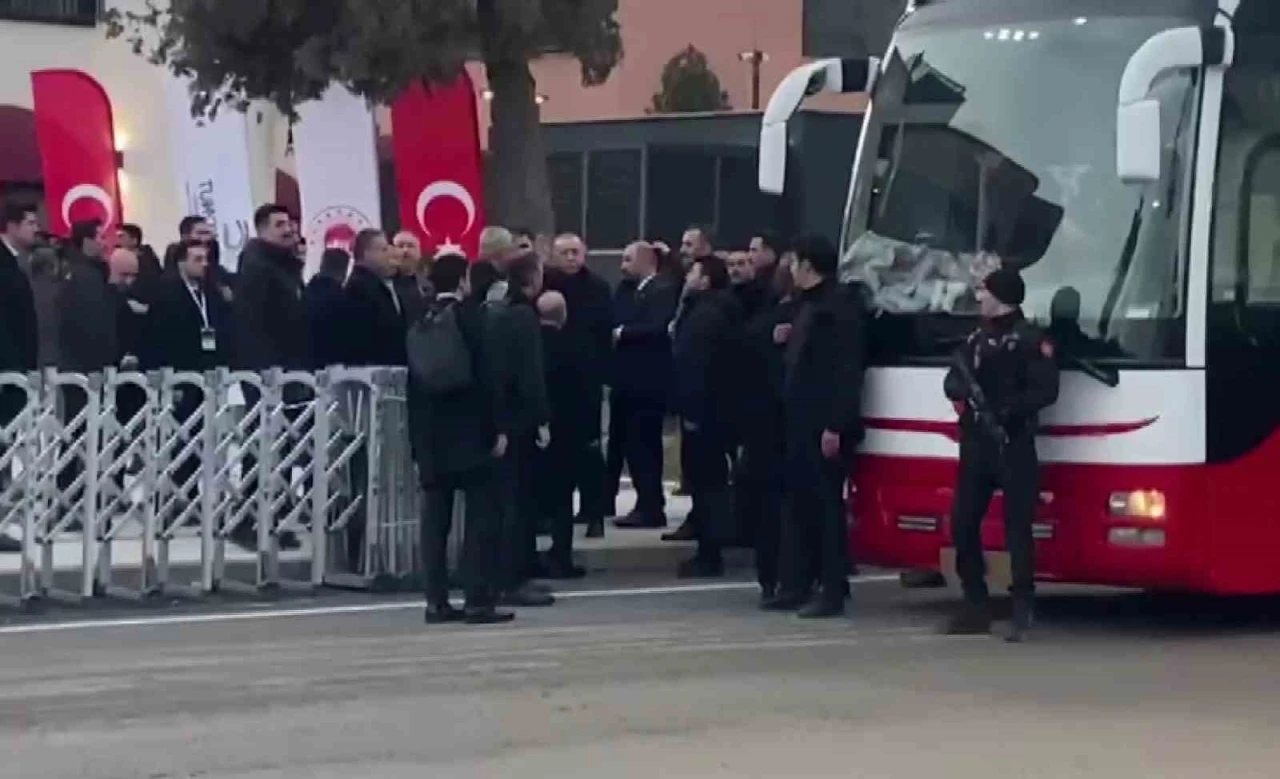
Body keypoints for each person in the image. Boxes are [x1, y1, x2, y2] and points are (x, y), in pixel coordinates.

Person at [942, 267, 1059, 642]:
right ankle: (975, 603)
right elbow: (952, 379)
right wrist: (960, 388)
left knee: (1017, 528)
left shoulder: (1030, 339)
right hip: (977, 445)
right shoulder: (975, 339)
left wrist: (1009, 410)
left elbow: (1047, 390)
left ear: (1002, 296)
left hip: (1013, 443)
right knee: (962, 522)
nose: (979, 298)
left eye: (985, 291)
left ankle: (1022, 605)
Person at [407, 253, 513, 625]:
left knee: (435, 522)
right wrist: (498, 428)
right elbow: (488, 377)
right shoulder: (473, 318)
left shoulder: (420, 319)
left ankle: (436, 601)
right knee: (481, 518)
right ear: (463, 281)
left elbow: (413, 386)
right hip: (470, 433)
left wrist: (417, 443)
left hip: (430, 436)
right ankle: (477, 599)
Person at [767, 236, 867, 619]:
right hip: (798, 420)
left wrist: (836, 425)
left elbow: (846, 372)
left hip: (823, 423)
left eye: (794, 263)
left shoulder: (839, 307)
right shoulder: (807, 305)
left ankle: (832, 588)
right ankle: (796, 583)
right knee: (799, 505)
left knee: (826, 508)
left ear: (808, 266)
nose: (790, 270)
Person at [669, 254, 744, 577]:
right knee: (706, 481)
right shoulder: (710, 310)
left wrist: (693, 410)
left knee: (707, 483)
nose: (687, 277)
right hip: (714, 410)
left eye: (693, 273)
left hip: (705, 413)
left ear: (705, 280)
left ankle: (709, 552)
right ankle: (707, 545)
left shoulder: (707, 315)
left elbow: (696, 366)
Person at [485, 251, 553, 606]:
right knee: (517, 501)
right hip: (520, 418)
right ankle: (512, 579)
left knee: (502, 501)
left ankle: (500, 575)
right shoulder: (524, 315)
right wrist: (541, 417)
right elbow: (530, 373)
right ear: (533, 278)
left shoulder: (495, 311)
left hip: (500, 414)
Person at [543, 232, 613, 539]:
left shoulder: (597, 287)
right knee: (555, 452)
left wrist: (602, 374)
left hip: (587, 380)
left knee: (589, 449)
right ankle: (553, 514)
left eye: (576, 252)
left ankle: (594, 511)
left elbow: (605, 333)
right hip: (553, 378)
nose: (571, 258)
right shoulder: (545, 284)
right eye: (565, 252)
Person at [607, 241, 679, 529]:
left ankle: (651, 506)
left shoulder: (662, 290)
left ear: (646, 260)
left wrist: (623, 333)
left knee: (645, 447)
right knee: (632, 447)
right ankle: (644, 502)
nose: (622, 266)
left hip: (648, 384)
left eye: (628, 259)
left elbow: (657, 327)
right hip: (628, 383)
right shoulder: (629, 290)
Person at [0, 203, 38, 553]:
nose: (35, 229)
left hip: (15, 371)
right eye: (29, 223)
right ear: (11, 226)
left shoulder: (15, 262)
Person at [342, 229, 408, 368]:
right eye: (383, 250)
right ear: (367, 253)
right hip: (375, 369)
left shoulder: (374, 284)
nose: (389, 255)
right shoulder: (359, 289)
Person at [304, 248, 351, 370]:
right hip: (333, 365)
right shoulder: (342, 298)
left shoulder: (306, 291)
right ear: (344, 270)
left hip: (307, 362)